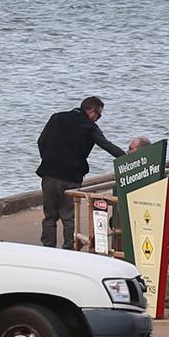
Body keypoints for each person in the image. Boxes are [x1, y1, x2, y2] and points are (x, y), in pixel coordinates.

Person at [36, 96, 125, 249]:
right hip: (71, 177)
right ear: (92, 111)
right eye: (98, 115)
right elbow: (106, 145)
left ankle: (48, 248)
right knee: (68, 216)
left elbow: (41, 141)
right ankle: (69, 248)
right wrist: (127, 158)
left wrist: (48, 159)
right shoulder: (90, 127)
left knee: (50, 216)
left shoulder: (56, 118)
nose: (97, 119)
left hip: (49, 174)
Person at [127, 136, 169, 231]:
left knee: (123, 220)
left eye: (130, 149)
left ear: (141, 152)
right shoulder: (155, 164)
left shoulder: (148, 170)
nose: (127, 152)